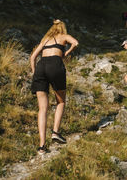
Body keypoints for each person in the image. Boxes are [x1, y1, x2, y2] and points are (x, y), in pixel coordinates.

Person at [30, 19, 79, 154]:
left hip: (41, 66)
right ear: (63, 28)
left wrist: (35, 73)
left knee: (42, 109)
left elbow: (33, 57)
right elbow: (75, 43)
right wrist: (66, 53)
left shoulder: (45, 39)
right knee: (61, 101)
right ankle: (55, 132)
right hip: (55, 65)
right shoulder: (63, 36)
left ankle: (41, 146)